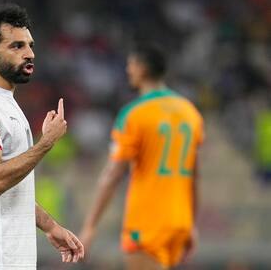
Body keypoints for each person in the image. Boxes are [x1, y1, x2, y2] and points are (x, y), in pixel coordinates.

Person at [0, 5, 84, 270]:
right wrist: (46, 143)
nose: (30, 54)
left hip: (8, 257)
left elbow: (12, 188)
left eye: (30, 45)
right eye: (17, 46)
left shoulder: (4, 103)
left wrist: (50, 226)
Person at [80, 44, 204, 270]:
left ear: (142, 69)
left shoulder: (135, 113)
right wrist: (192, 224)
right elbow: (195, 176)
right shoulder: (190, 112)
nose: (128, 69)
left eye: (131, 64)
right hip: (180, 220)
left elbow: (113, 175)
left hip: (147, 222)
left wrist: (90, 226)